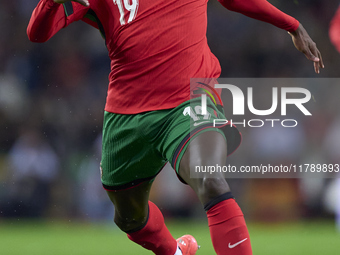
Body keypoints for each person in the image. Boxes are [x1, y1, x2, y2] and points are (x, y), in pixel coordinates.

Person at [27, 0, 324, 254]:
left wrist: (291, 24)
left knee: (210, 179)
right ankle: (175, 251)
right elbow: (38, 33)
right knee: (129, 217)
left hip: (191, 98)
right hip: (128, 115)